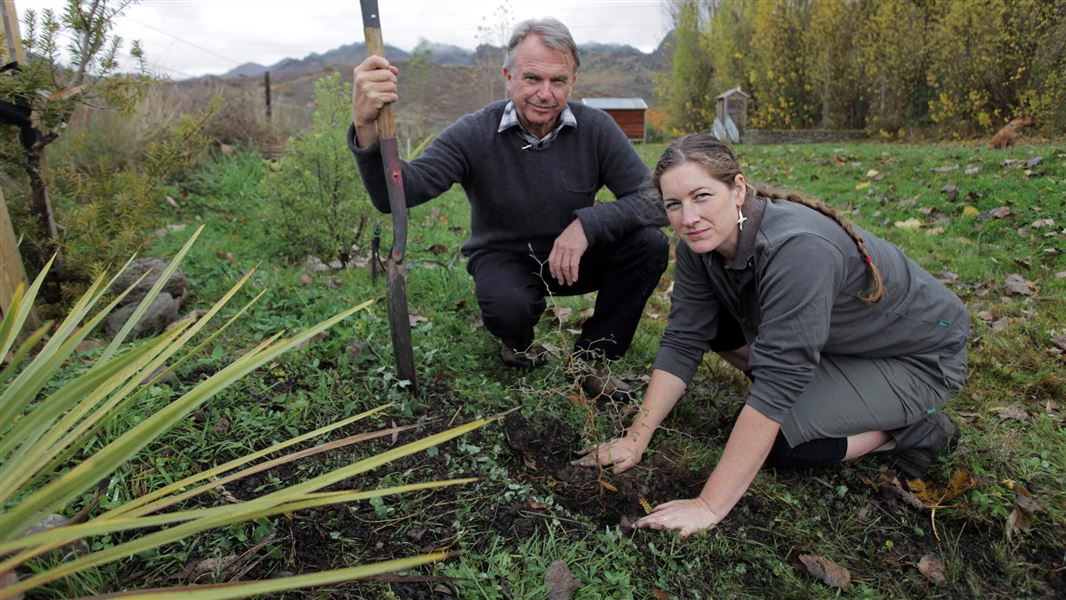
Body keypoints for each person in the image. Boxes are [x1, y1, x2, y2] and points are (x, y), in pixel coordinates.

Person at [574, 133, 969, 537]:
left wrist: (707, 505)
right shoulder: (698, 244)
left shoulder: (799, 249)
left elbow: (778, 385)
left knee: (784, 442)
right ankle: (835, 390)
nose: (687, 217)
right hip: (845, 344)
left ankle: (909, 430)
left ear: (738, 188)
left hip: (920, 359)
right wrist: (635, 439)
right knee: (717, 328)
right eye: (674, 204)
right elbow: (683, 339)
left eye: (702, 196)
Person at [349, 17, 668, 397]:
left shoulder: (596, 129)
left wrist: (589, 224)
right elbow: (396, 196)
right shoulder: (473, 133)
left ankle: (593, 358)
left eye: (558, 81)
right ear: (509, 76)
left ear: (573, 82)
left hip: (574, 257)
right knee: (509, 307)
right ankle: (516, 342)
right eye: (532, 78)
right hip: (505, 258)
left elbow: (655, 201)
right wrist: (366, 127)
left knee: (650, 244)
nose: (545, 94)